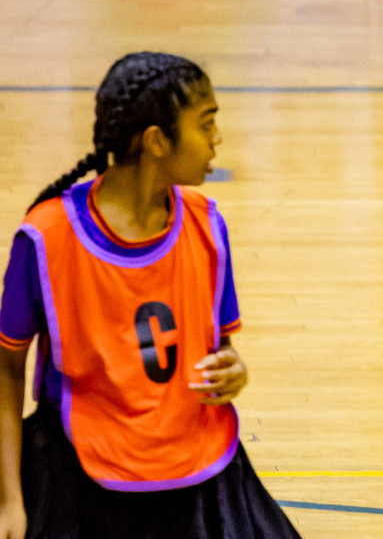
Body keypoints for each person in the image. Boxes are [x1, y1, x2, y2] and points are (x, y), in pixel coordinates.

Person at [0, 52, 300, 539]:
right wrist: (9, 501)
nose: (217, 139)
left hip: (198, 469)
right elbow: (6, 368)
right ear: (158, 141)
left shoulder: (206, 224)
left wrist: (232, 369)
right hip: (80, 472)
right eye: (207, 124)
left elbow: (218, 348)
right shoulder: (45, 238)